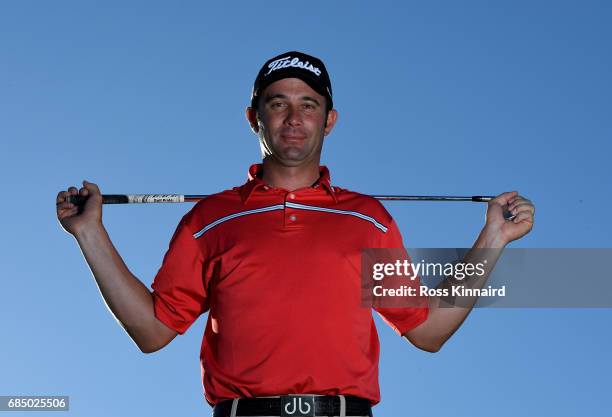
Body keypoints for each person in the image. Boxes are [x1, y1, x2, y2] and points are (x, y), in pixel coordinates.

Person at [56, 51, 535, 417]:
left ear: (328, 120)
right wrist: (89, 233)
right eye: (278, 103)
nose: (294, 118)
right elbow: (152, 331)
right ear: (254, 117)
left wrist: (492, 238)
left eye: (309, 104)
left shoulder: (369, 218)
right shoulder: (209, 219)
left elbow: (429, 330)